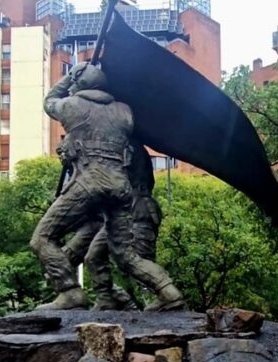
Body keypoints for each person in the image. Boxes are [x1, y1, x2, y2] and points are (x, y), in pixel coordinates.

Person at [30, 63, 184, 311]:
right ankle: (169, 292)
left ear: (79, 83)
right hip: (120, 189)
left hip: (89, 184)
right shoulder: (125, 111)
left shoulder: (71, 106)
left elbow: (50, 100)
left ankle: (69, 292)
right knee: (126, 255)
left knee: (42, 238)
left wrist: (70, 75)